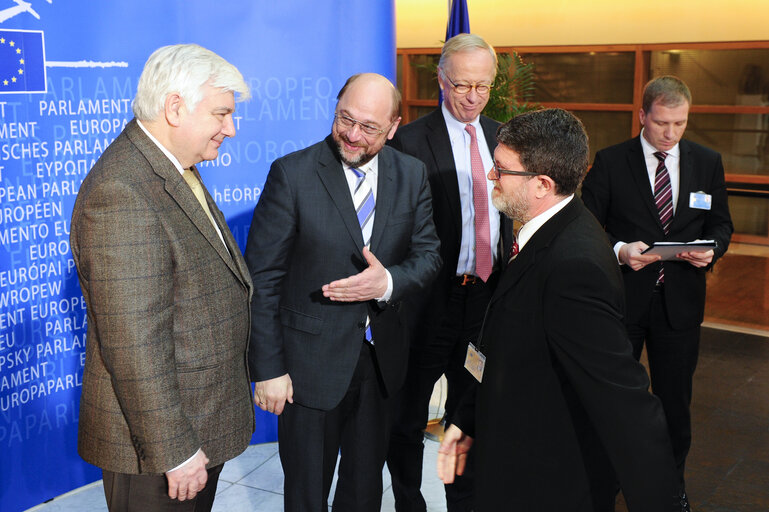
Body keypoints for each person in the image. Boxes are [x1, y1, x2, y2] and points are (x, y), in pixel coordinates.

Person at [437, 108, 681, 512]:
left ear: (542, 184)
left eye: (501, 169)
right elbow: (498, 339)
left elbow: (625, 401)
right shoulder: (545, 230)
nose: (490, 177)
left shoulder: (574, 266)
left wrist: (664, 503)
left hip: (546, 485)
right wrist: (467, 418)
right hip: (510, 458)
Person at [244, 73, 441, 512]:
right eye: (344, 119)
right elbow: (263, 279)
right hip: (308, 369)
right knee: (307, 495)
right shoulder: (292, 174)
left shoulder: (411, 174)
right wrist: (269, 369)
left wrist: (386, 282)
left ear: (394, 126)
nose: (351, 135)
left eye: (368, 127)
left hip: (380, 365)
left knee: (363, 492)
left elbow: (428, 257)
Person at [70, 44, 254, 512]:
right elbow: (134, 342)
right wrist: (176, 450)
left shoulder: (170, 167)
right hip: (158, 450)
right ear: (175, 107)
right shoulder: (123, 191)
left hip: (194, 424)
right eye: (221, 113)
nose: (230, 129)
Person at [581, 75, 734, 509]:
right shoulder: (612, 162)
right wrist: (619, 250)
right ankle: (604, 487)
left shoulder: (707, 161)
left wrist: (713, 250)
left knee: (674, 407)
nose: (671, 134)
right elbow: (589, 225)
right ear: (642, 115)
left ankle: (671, 490)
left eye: (680, 124)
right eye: (662, 123)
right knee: (614, 401)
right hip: (623, 301)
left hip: (680, 305)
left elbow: (720, 223)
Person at [386, 33, 513, 512]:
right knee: (408, 415)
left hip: (483, 300)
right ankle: (408, 503)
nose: (473, 97)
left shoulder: (505, 138)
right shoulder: (410, 143)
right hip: (426, 303)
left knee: (471, 412)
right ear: (441, 80)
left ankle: (464, 504)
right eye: (462, 86)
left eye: (482, 86)